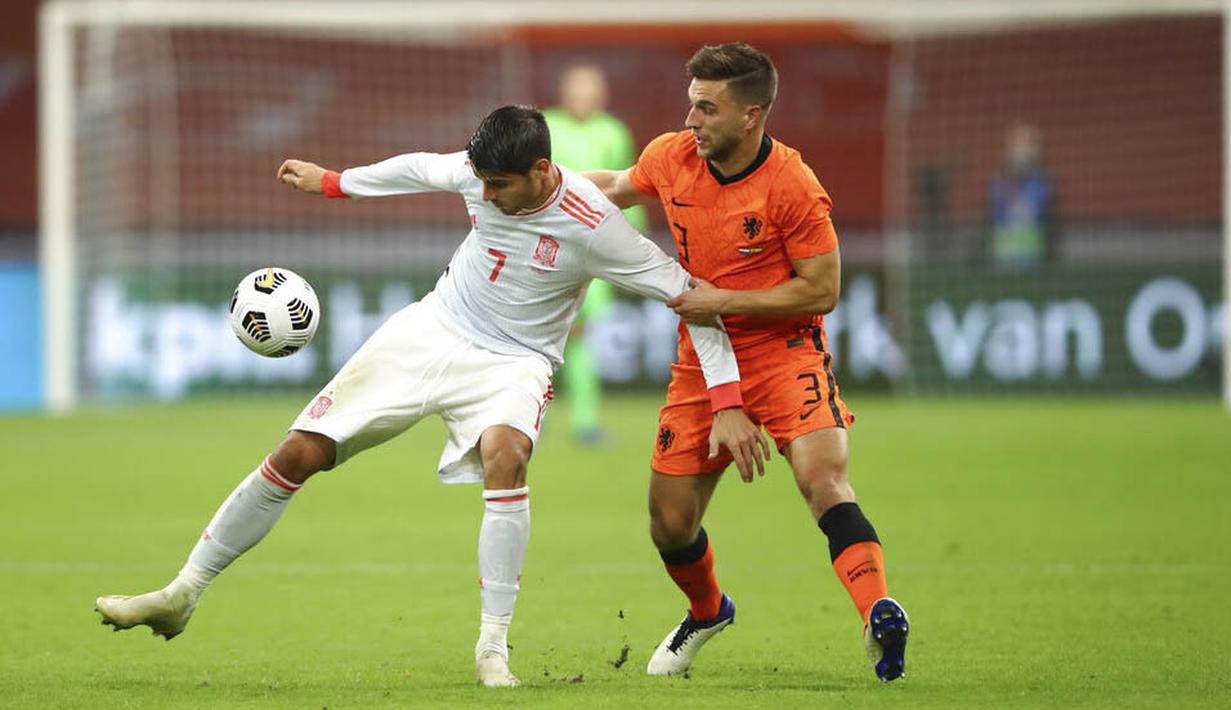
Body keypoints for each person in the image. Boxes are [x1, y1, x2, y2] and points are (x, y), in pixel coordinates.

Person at [93, 105, 767, 688]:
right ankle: (181, 594)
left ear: (539, 171)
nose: (485, 195)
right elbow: (417, 167)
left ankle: (492, 649)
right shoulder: (480, 176)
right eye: (480, 182)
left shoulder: (593, 226)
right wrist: (334, 183)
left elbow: (691, 299)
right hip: (432, 327)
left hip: (514, 361)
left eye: (499, 185)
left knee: (507, 457)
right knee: (298, 453)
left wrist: (728, 399)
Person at [584, 44, 910, 681]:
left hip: (783, 350)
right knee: (670, 524)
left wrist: (722, 299)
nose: (692, 120)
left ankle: (879, 613)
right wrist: (544, 188)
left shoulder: (792, 184)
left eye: (707, 108)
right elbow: (618, 188)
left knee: (824, 478)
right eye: (691, 104)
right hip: (700, 362)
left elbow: (823, 289)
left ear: (752, 114)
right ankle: (708, 611)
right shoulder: (671, 157)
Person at [543, 62, 649, 444]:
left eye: (591, 89)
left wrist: (636, 247)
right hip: (548, 248)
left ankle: (584, 420)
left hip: (598, 248)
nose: (584, 96)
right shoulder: (544, 127)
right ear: (563, 92)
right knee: (544, 334)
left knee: (581, 334)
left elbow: (631, 187)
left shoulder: (613, 131)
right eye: (577, 88)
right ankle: (529, 414)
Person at [986, 122, 1055, 269]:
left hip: (1033, 253)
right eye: (1017, 147)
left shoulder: (1040, 181)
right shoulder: (999, 180)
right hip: (1003, 251)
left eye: (1027, 147)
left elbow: (1040, 209)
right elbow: (996, 212)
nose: (1021, 153)